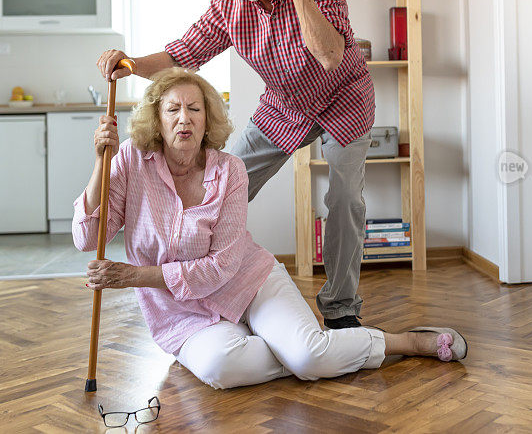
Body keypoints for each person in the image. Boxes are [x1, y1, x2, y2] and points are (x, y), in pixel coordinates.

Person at [73, 68, 466, 390]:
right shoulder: (129, 161)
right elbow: (87, 237)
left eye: (194, 109)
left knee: (309, 357)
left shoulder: (229, 170)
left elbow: (219, 269)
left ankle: (406, 342)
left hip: (247, 280)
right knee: (221, 370)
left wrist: (134, 276)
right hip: (181, 313)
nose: (184, 118)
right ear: (157, 119)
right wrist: (98, 164)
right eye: (173, 109)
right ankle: (301, 347)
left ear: (207, 118)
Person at [96, 0, 374, 329]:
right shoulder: (229, 6)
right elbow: (180, 55)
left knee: (344, 200)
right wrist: (131, 64)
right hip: (285, 106)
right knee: (221, 185)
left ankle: (340, 310)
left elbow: (330, 54)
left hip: (344, 99)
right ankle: (203, 285)